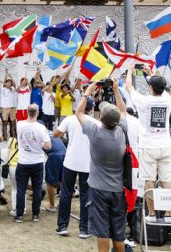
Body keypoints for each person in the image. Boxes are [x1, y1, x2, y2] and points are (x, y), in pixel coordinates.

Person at [77, 79, 127, 252]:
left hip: (98, 188)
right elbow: (123, 111)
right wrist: (116, 90)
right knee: (118, 231)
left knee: (102, 230)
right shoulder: (122, 131)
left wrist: (88, 91)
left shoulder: (96, 132)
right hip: (118, 189)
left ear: (102, 118)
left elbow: (79, 113)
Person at [125, 66, 171, 221]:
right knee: (167, 181)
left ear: (150, 87)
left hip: (148, 145)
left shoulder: (144, 101)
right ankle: (168, 214)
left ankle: (152, 214)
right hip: (165, 144)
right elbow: (162, 87)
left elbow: (128, 87)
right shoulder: (167, 100)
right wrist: (152, 74)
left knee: (149, 181)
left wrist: (130, 70)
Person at [54, 97, 96, 238]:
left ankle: (62, 226)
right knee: (85, 195)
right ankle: (84, 229)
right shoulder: (94, 122)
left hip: (71, 160)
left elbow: (55, 134)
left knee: (66, 193)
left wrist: (66, 135)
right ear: (91, 109)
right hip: (87, 162)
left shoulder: (70, 119)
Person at [14, 104, 51, 224]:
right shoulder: (41, 127)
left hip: (23, 161)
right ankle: (35, 214)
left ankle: (19, 215)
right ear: (38, 113)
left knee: (21, 188)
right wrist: (40, 145)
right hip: (37, 161)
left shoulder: (19, 124)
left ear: (27, 112)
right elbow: (48, 146)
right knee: (37, 188)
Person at [44, 130, 66, 213]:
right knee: (63, 182)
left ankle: (52, 205)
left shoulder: (38, 132)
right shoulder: (49, 131)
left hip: (54, 156)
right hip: (65, 153)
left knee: (50, 182)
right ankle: (64, 206)